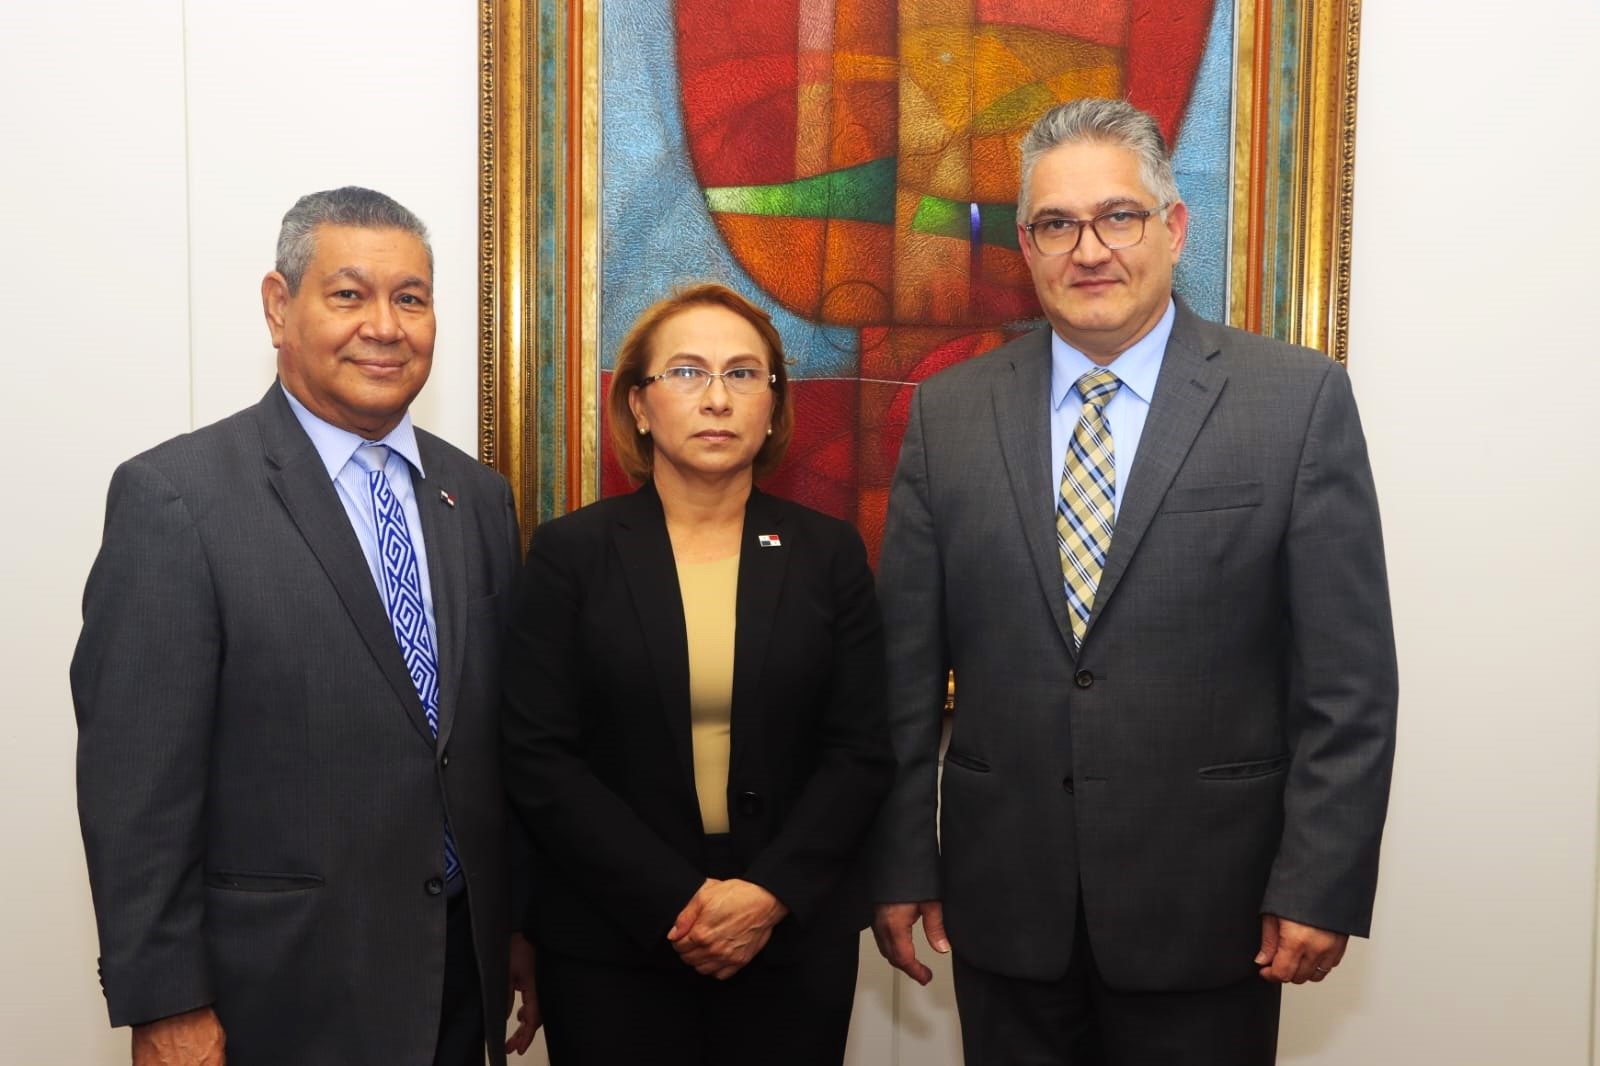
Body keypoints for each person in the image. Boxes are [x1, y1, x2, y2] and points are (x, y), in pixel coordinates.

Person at [871, 98, 1398, 1064]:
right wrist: (902, 858)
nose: (1090, 249)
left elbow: (1348, 684)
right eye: (1057, 225)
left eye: (1119, 216)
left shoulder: (1294, 400)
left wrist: (1318, 881)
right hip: (1006, 907)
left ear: (1173, 227)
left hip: (1214, 908)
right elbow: (902, 676)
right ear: (1025, 245)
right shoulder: (950, 413)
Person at [72, 187, 538, 1066]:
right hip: (276, 999)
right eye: (349, 294)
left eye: (411, 298)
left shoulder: (474, 497)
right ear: (279, 308)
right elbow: (135, 789)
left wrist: (516, 927)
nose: (386, 325)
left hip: (453, 980)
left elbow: (483, 747)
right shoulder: (178, 500)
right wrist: (167, 1003)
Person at [501, 282, 892, 1065]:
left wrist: (767, 895)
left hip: (786, 941)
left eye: (744, 375)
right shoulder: (571, 554)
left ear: (774, 407)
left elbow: (860, 749)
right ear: (639, 406)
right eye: (686, 373)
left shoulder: (829, 554)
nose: (717, 398)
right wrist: (677, 902)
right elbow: (539, 756)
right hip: (615, 939)